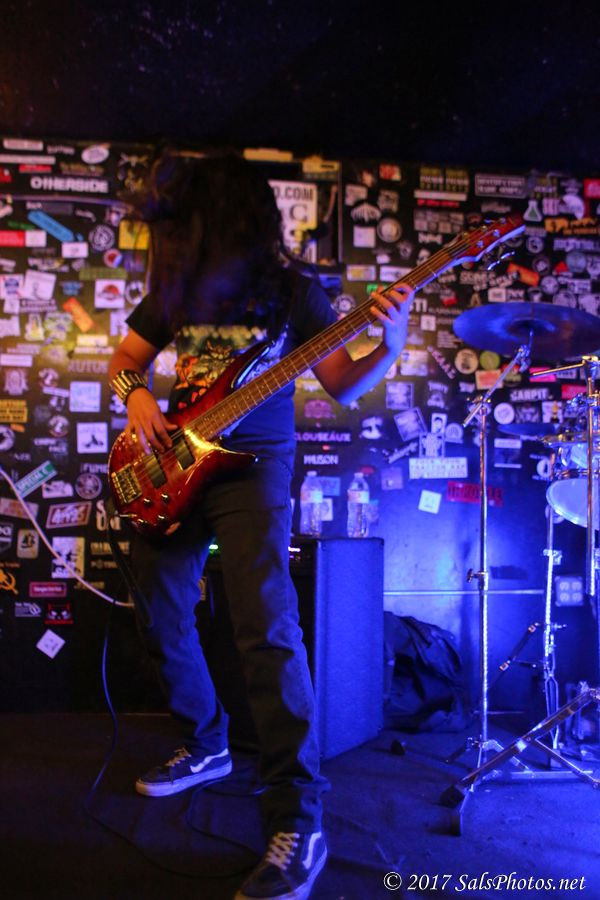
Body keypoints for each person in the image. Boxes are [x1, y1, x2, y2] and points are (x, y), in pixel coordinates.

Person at [108, 151, 414, 900]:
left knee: (267, 629)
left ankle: (297, 817)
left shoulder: (294, 292)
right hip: (178, 462)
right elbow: (125, 362)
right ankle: (206, 739)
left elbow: (341, 383)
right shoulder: (179, 287)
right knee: (160, 607)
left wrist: (393, 342)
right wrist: (136, 396)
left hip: (253, 466)